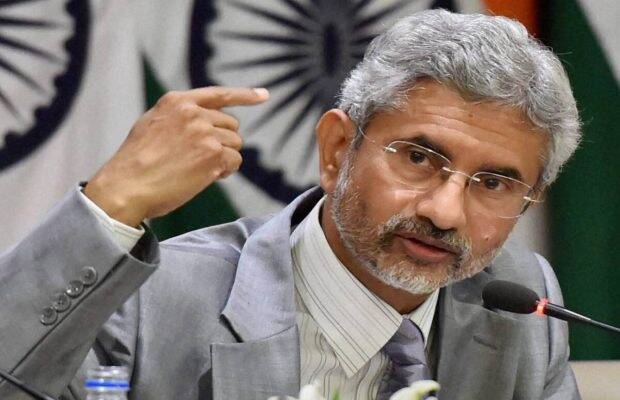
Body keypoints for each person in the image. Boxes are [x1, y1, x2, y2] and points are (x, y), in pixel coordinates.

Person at [0, 9, 581, 400]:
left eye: (494, 184)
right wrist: (112, 203)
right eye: (418, 158)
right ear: (336, 150)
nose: (445, 213)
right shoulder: (154, 302)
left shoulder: (520, 305)